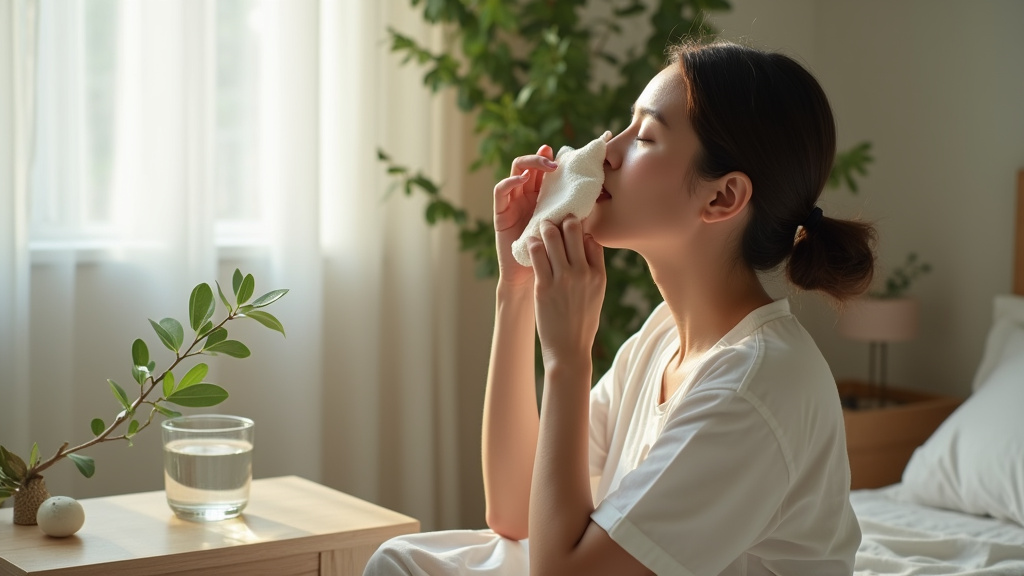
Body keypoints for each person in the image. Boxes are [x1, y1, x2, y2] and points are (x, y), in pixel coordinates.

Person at [365, 39, 874, 576]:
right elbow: (515, 512)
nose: (607, 149)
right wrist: (515, 288)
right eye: (626, 126)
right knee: (403, 561)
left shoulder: (756, 387)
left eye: (646, 136)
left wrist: (567, 359)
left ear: (722, 198)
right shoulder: (663, 338)